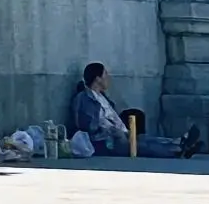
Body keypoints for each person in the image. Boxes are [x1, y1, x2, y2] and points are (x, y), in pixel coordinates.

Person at [68, 63, 200, 158]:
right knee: (142, 146)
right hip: (105, 140)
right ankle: (177, 151)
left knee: (145, 139)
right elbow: (89, 125)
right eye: (105, 75)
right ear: (97, 79)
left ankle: (179, 142)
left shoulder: (103, 97)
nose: (108, 78)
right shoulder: (85, 98)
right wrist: (113, 131)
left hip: (119, 134)